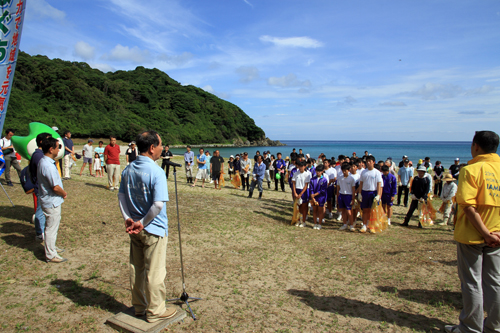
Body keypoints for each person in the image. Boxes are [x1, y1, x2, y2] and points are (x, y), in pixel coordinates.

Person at [118, 130, 177, 323]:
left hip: (134, 227)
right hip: (153, 228)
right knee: (155, 270)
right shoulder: (156, 171)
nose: (162, 149)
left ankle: (139, 306)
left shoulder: (129, 168)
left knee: (137, 268)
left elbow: (121, 196)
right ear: (152, 148)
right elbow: (158, 204)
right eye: (160, 145)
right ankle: (155, 311)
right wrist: (142, 223)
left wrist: (128, 218)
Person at [445, 131, 500, 333]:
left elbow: (468, 206)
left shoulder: (471, 170)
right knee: (495, 282)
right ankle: (494, 326)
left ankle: (470, 328)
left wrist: (485, 233)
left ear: (475, 146)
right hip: (497, 235)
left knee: (472, 282)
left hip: (473, 235)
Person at [37, 137, 68, 263]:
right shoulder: (47, 165)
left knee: (52, 226)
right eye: (57, 147)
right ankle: (51, 255)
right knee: (51, 228)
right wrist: (64, 193)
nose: (59, 149)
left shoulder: (46, 162)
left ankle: (52, 248)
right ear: (51, 149)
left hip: (50, 200)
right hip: (51, 201)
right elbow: (55, 187)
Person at [30, 132, 51, 242]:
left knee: (42, 210)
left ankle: (41, 231)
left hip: (42, 187)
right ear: (41, 142)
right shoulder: (38, 155)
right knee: (40, 211)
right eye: (48, 140)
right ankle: (39, 233)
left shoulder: (41, 154)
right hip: (40, 187)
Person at [357, 156, 383, 233]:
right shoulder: (364, 172)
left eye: (370, 161)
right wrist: (359, 193)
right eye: (367, 161)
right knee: (365, 210)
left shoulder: (377, 172)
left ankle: (372, 225)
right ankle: (365, 225)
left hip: (373, 192)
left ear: (373, 162)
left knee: (373, 210)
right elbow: (361, 183)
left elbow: (379, 184)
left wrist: (379, 195)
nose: (368, 162)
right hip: (365, 192)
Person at [337, 163, 356, 231]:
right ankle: (344, 224)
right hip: (341, 195)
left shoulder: (351, 179)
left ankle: (351, 225)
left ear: (349, 170)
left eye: (345, 170)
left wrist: (353, 198)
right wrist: (337, 197)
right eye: (343, 170)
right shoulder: (340, 179)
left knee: (349, 211)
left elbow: (353, 189)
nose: (344, 172)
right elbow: (338, 188)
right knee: (343, 211)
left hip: (348, 195)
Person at [292, 160, 311, 227]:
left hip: (304, 191)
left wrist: (301, 194)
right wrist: (295, 192)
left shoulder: (307, 174)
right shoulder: (296, 173)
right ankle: (298, 220)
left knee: (304, 207)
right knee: (298, 207)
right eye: (299, 166)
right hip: (297, 190)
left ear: (304, 166)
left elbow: (306, 185)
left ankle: (303, 221)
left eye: (301, 166)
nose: (300, 168)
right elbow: (293, 183)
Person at [309, 164, 328, 230]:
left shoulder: (324, 180)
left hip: (321, 197)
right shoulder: (312, 179)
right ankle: (315, 223)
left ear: (322, 171)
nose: (318, 172)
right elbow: (311, 188)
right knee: (314, 211)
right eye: (317, 171)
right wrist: (312, 196)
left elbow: (323, 190)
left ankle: (319, 224)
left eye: (319, 171)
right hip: (314, 197)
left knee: (320, 211)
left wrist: (315, 194)